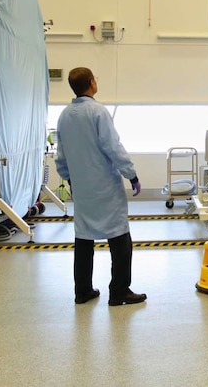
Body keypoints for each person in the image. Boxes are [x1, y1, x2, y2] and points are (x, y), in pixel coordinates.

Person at [55, 67, 146, 307]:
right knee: (120, 238)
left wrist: (69, 179)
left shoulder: (64, 116)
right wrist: (132, 175)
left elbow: (61, 154)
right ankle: (119, 291)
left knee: (83, 238)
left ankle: (82, 291)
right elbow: (113, 147)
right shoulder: (98, 112)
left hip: (82, 188)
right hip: (105, 187)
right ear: (91, 83)